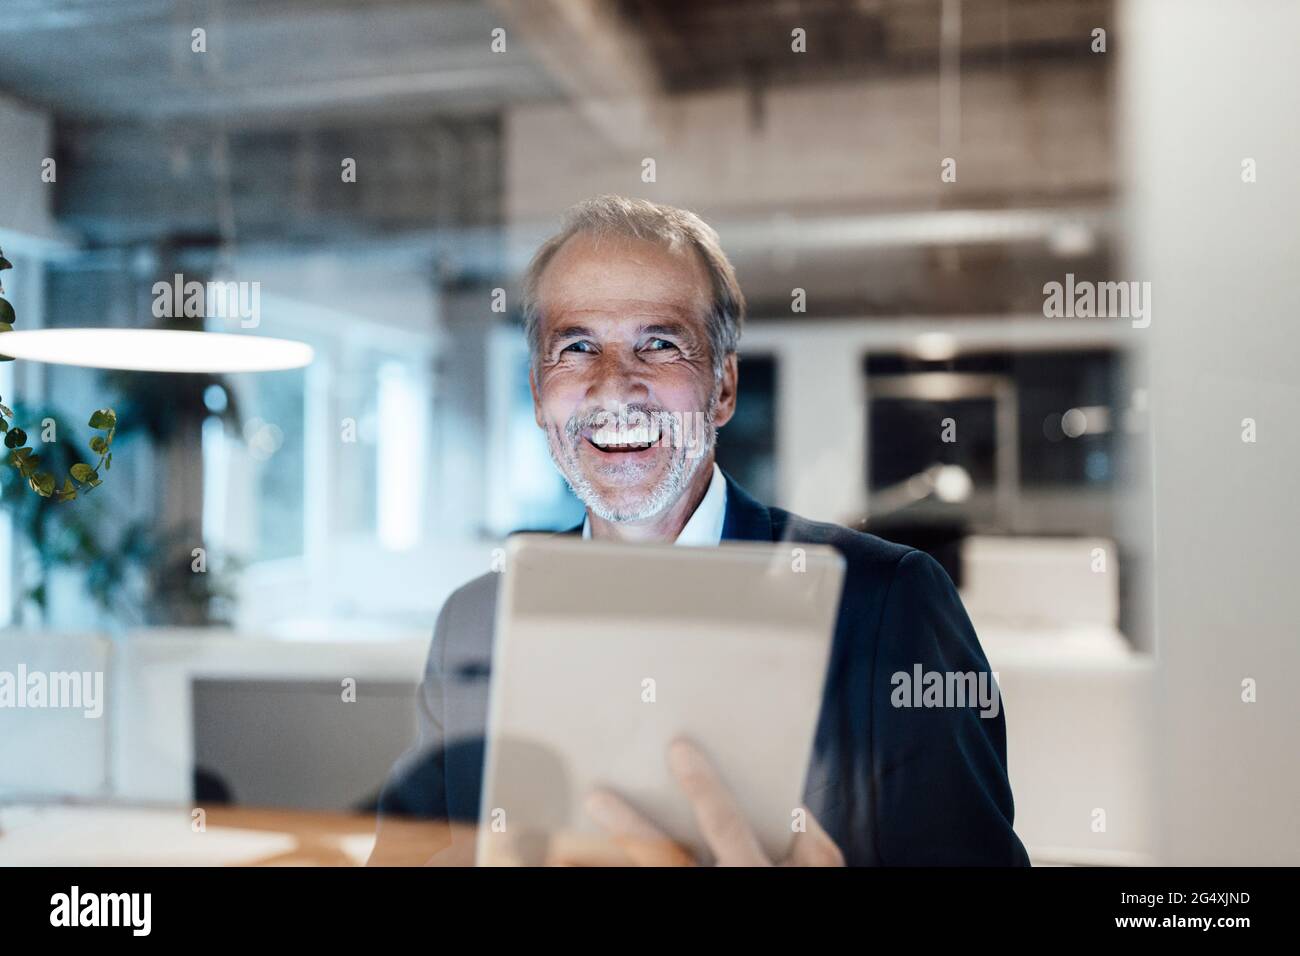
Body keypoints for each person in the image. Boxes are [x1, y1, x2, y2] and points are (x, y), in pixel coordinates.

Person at [369, 195, 1028, 867]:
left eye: (658, 344)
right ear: (539, 395)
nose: (614, 387)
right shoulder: (476, 621)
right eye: (577, 347)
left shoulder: (890, 603)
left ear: (722, 388)